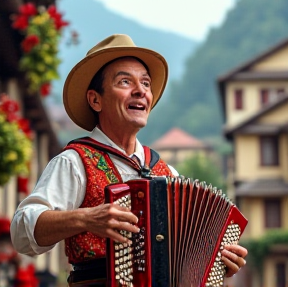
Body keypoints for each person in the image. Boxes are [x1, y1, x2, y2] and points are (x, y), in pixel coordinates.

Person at [10, 34, 247, 286]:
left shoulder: (168, 173)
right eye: (125, 81)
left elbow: (185, 261)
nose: (141, 91)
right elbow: (21, 232)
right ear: (95, 100)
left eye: (146, 83)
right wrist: (85, 218)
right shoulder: (74, 161)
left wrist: (216, 261)